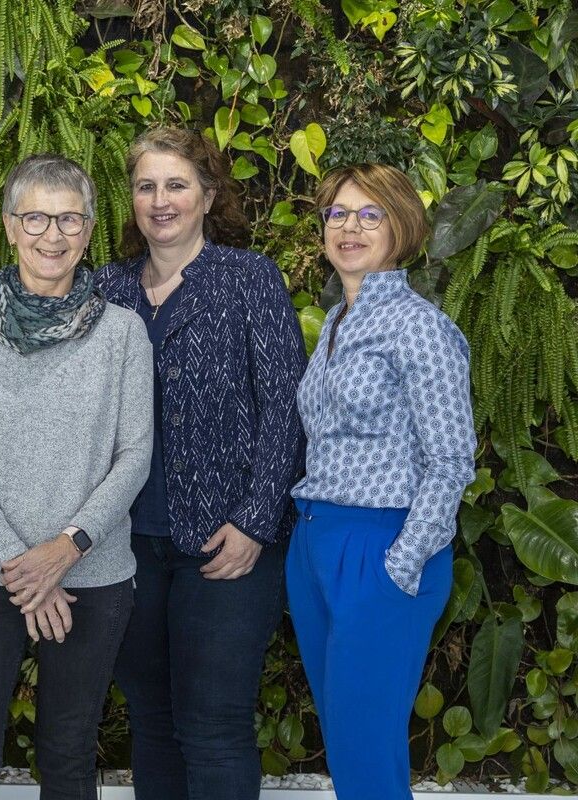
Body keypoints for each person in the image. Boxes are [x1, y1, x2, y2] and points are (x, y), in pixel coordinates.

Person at [0, 153, 152, 800]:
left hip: (91, 576)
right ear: (8, 226)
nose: (52, 235)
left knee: (69, 755)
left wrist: (64, 551)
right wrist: (24, 569)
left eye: (69, 219)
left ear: (89, 230)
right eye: (36, 219)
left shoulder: (123, 334)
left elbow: (134, 455)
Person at [94, 127, 305, 800]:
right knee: (152, 722)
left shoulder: (249, 279)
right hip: (127, 546)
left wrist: (255, 521)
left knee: (213, 726)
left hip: (227, 543)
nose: (161, 201)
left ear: (208, 196)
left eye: (177, 185)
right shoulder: (105, 289)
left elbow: (286, 410)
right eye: (146, 186)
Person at [287, 163, 475, 800]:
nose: (350, 227)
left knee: (364, 748)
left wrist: (402, 561)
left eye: (370, 215)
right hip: (316, 544)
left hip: (381, 547)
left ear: (401, 227)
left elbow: (451, 459)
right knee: (351, 746)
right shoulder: (335, 323)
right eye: (338, 213)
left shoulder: (419, 327)